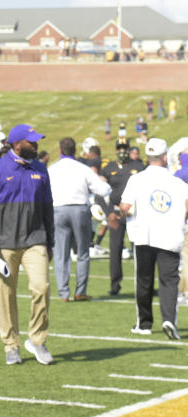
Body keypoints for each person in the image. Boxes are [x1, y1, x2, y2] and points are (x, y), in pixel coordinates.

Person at [0, 124, 55, 365]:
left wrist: (50, 241)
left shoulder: (41, 169)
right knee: (6, 294)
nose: (36, 146)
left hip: (36, 239)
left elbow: (47, 208)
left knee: (41, 287)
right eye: (31, 142)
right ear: (17, 144)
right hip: (5, 243)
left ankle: (37, 340)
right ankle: (11, 345)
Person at [120, 138, 188, 340]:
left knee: (144, 280)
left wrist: (128, 215)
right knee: (169, 281)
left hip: (144, 235)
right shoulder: (177, 182)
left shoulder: (136, 179)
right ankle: (168, 319)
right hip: (169, 235)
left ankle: (144, 323)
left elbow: (125, 206)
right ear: (165, 157)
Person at [48, 137, 111, 302]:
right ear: (75, 151)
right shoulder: (83, 169)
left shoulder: (52, 169)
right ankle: (80, 291)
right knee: (83, 252)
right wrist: (106, 183)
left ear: (60, 150)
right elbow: (103, 189)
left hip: (59, 210)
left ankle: (63, 293)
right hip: (79, 209)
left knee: (61, 253)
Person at [101, 138, 145, 295]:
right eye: (119, 147)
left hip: (136, 214)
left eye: (124, 147)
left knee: (140, 250)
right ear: (116, 149)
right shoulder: (109, 168)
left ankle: (143, 285)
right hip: (116, 214)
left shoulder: (139, 166)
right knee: (115, 249)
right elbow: (100, 193)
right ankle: (115, 285)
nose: (122, 150)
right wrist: (109, 213)